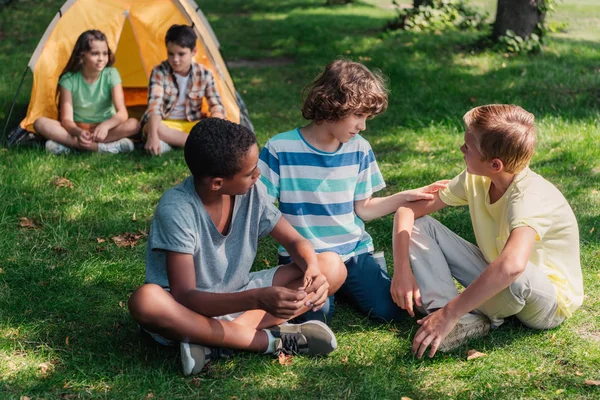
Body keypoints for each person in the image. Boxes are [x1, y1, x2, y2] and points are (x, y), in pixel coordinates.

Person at [128, 118, 347, 376]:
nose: (258, 175)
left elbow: (295, 241)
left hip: (238, 296)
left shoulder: (250, 191)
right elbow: (186, 295)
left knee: (332, 266)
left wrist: (311, 267)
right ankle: (270, 342)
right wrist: (258, 298)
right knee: (145, 301)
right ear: (217, 183)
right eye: (250, 171)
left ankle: (210, 343)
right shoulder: (177, 209)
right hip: (187, 310)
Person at [258, 59, 445, 323]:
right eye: (358, 115)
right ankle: (339, 289)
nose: (363, 126)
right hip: (305, 261)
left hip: (354, 253)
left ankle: (354, 280)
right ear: (332, 104)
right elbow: (260, 206)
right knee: (313, 317)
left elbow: (364, 209)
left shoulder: (359, 149)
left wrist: (405, 196)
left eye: (366, 118)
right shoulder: (280, 148)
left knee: (390, 311)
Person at [392, 104, 584, 358]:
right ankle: (451, 319)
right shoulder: (476, 178)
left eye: (468, 147)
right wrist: (402, 269)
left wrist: (453, 310)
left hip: (546, 302)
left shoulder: (529, 197)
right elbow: (408, 211)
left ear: (495, 164)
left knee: (517, 271)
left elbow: (512, 267)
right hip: (501, 279)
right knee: (420, 225)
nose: (461, 149)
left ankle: (453, 314)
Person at [33, 30, 139, 155]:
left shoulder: (111, 74)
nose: (101, 58)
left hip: (105, 130)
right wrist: (78, 132)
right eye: (95, 53)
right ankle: (103, 148)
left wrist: (106, 126)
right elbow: (66, 120)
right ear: (82, 56)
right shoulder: (68, 79)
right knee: (39, 123)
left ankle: (70, 146)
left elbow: (122, 113)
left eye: (105, 53)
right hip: (78, 130)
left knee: (134, 124)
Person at [142, 24, 225, 156]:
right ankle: (200, 144)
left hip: (191, 124)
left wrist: (214, 125)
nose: (175, 60)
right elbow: (155, 107)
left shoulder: (204, 73)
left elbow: (217, 106)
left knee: (212, 125)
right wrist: (152, 136)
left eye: (181, 54)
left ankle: (172, 143)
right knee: (150, 128)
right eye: (171, 54)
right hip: (166, 124)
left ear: (194, 52)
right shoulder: (159, 72)